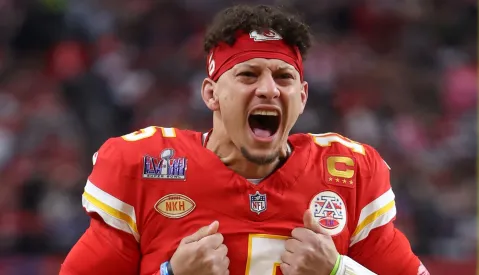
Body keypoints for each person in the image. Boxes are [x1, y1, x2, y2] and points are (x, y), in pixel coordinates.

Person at [60, 4, 430, 275]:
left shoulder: (349, 172)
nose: (268, 89)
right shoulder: (145, 167)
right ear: (211, 94)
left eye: (283, 78)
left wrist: (338, 271)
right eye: (248, 74)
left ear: (302, 97)